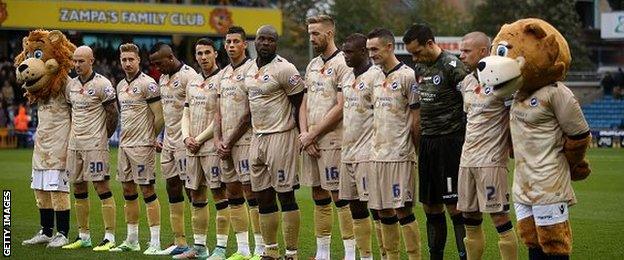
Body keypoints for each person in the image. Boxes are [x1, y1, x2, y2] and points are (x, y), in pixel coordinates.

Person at [403, 23, 468, 260]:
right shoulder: (419, 67)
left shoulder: (453, 66)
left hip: (450, 143)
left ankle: (464, 255)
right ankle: (436, 256)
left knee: (455, 205)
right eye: (411, 53)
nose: (414, 57)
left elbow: (470, 101)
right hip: (428, 144)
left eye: (417, 51)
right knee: (430, 206)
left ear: (430, 43)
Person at [243, 25, 305, 260]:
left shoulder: (285, 68)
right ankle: (270, 251)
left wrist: (302, 136)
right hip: (257, 138)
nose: (265, 43)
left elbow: (300, 104)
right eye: (261, 39)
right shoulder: (249, 69)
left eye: (270, 40)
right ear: (255, 41)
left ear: (276, 44)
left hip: (281, 136)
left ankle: (291, 253)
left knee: (285, 194)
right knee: (262, 196)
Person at [456, 32, 519, 260]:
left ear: (483, 51)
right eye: (461, 51)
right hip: (467, 161)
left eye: (466, 51)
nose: (461, 55)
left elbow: (514, 117)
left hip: (491, 162)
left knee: (500, 219)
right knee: (469, 218)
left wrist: (513, 148)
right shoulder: (468, 82)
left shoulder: (504, 80)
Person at [300, 15, 355, 260]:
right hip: (311, 142)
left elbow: (341, 106)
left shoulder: (344, 63)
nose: (311, 38)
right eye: (309, 33)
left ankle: (350, 254)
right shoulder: (312, 65)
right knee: (318, 195)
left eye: (316, 34)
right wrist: (305, 135)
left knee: (339, 196)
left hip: (333, 140)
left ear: (329, 34)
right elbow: (304, 101)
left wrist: (313, 134)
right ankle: (323, 254)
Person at [366, 28, 421, 260]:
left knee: (402, 209)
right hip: (377, 154)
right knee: (381, 210)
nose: (371, 54)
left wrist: (416, 151)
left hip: (400, 154)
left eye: (375, 49)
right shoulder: (373, 76)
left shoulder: (408, 76)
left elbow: (416, 119)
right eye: (369, 50)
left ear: (389, 47)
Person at [214, 26, 264, 260]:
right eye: (228, 42)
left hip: (244, 142)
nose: (231, 45)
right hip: (225, 145)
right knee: (232, 192)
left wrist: (230, 140)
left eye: (235, 41)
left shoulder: (253, 70)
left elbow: (249, 113)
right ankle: (243, 248)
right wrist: (217, 139)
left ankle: (261, 247)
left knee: (251, 193)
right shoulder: (222, 74)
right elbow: (218, 112)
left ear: (245, 44)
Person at [62, 46, 119, 251]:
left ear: (91, 61)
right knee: (78, 188)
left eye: (81, 61)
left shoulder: (102, 84)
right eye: (75, 61)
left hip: (95, 145)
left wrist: (104, 136)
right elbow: (71, 112)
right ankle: (83, 235)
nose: (77, 65)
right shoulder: (71, 86)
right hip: (75, 144)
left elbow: (113, 113)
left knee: (101, 188)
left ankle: (110, 236)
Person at [109, 43, 164, 255]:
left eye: (131, 59)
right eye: (124, 60)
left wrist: (152, 137)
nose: (127, 63)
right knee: (128, 191)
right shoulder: (120, 85)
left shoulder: (148, 84)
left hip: (142, 146)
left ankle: (155, 242)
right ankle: (132, 240)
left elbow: (159, 116)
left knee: (148, 191)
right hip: (124, 146)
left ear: (139, 60)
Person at [173, 38, 222, 259]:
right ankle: (200, 248)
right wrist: (186, 137)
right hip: (192, 147)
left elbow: (220, 118)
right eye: (199, 53)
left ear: (215, 55)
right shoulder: (192, 82)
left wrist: (199, 138)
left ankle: (220, 248)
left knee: (220, 194)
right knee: (196, 194)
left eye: (207, 53)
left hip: (212, 146)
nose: (203, 57)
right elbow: (186, 112)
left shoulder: (222, 79)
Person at [149, 42, 200, 256]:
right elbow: (166, 113)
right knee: (171, 187)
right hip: (169, 142)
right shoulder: (162, 78)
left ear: (170, 57)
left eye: (159, 63)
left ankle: (199, 242)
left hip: (185, 142)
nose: (157, 69)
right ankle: (180, 241)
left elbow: (196, 109)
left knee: (192, 191)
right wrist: (158, 136)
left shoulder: (190, 76)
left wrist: (193, 138)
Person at [338, 33, 384, 260]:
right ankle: (365, 256)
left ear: (364, 52)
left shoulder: (376, 76)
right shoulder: (346, 77)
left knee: (376, 208)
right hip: (348, 152)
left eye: (349, 52)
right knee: (355, 208)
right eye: (343, 51)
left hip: (369, 153)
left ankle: (386, 254)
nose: (345, 56)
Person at [20, 60, 72, 249]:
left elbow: (76, 110)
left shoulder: (66, 83)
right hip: (41, 145)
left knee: (58, 191)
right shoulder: (40, 86)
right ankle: (46, 231)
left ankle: (63, 233)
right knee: (40, 190)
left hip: (60, 146)